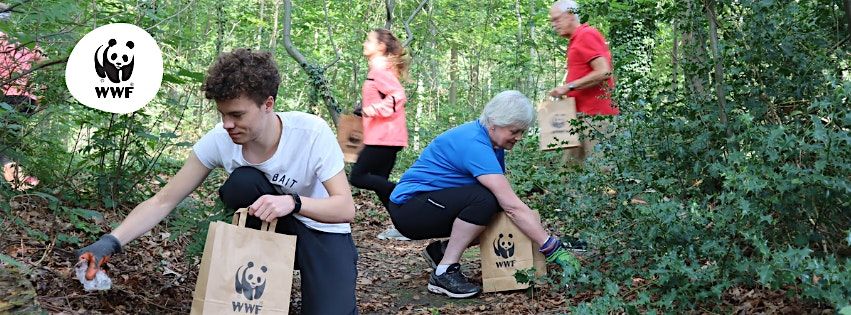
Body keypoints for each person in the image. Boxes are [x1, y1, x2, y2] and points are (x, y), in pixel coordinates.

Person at [75, 49, 359, 314]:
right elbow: (164, 200)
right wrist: (109, 242)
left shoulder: (310, 133)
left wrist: (292, 202)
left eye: (237, 115)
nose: (227, 124)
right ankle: (252, 287)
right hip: (266, 235)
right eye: (223, 114)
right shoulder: (220, 140)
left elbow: (345, 208)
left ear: (268, 104)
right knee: (243, 183)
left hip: (323, 233)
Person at [388, 91, 581, 298]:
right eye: (514, 131)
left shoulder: (491, 143)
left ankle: (441, 251)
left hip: (429, 204)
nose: (519, 137)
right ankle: (444, 272)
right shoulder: (474, 144)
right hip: (409, 208)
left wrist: (540, 235)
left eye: (522, 131)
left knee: (493, 205)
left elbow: (506, 200)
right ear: (494, 124)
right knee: (485, 201)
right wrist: (551, 247)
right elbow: (512, 206)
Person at [349, 28, 410, 241]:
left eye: (369, 40)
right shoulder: (379, 70)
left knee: (358, 176)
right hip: (384, 136)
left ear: (381, 47)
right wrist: (365, 107)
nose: (365, 43)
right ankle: (406, 227)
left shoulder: (380, 71)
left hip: (385, 137)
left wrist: (370, 110)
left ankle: (405, 193)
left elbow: (398, 96)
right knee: (381, 187)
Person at [548, 0, 618, 162]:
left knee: (602, 170)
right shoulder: (575, 40)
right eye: (552, 21)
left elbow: (604, 70)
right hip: (577, 116)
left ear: (571, 15)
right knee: (569, 170)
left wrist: (569, 87)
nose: (554, 24)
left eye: (557, 19)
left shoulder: (587, 34)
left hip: (597, 117)